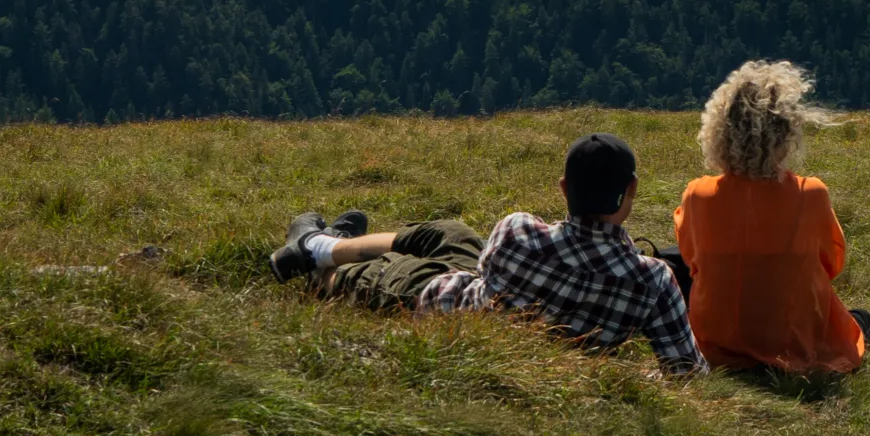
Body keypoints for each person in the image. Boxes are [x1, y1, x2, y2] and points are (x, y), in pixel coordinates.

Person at [266, 131, 707, 377]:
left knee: (392, 268)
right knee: (456, 233)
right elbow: (687, 372)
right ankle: (324, 244)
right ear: (631, 191)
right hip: (484, 293)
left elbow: (485, 272)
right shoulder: (653, 282)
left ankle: (315, 257)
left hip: (436, 303)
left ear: (562, 189)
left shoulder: (518, 232)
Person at [673, 60, 870, 376]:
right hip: (792, 345)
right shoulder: (809, 194)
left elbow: (690, 258)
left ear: (718, 130)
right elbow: (831, 265)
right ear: (785, 134)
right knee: (859, 322)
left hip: (716, 347)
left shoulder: (697, 195)